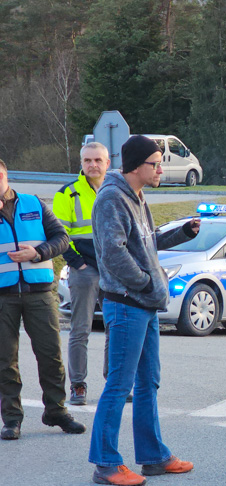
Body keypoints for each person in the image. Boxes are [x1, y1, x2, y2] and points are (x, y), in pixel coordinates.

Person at [89, 135, 199, 485]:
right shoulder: (111, 198)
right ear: (136, 166)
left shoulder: (137, 196)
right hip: (127, 305)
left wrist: (182, 233)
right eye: (155, 163)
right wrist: (146, 283)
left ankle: (153, 456)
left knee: (148, 382)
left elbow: (145, 242)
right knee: (119, 385)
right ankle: (106, 462)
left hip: (145, 305)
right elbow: (113, 253)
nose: (161, 169)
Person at [0, 160, 85, 441]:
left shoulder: (33, 203)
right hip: (3, 296)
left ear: (6, 176)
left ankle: (56, 411)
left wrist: (37, 253)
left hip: (39, 292)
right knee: (4, 360)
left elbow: (62, 237)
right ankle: (12, 419)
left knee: (50, 355)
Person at [53, 142, 110, 406]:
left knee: (116, 328)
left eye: (98, 160)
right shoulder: (67, 193)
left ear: (107, 163)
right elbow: (59, 235)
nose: (92, 165)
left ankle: (115, 383)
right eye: (87, 160)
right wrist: (78, 263)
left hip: (113, 271)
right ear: (81, 163)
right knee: (80, 331)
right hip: (84, 270)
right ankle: (78, 386)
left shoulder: (115, 191)